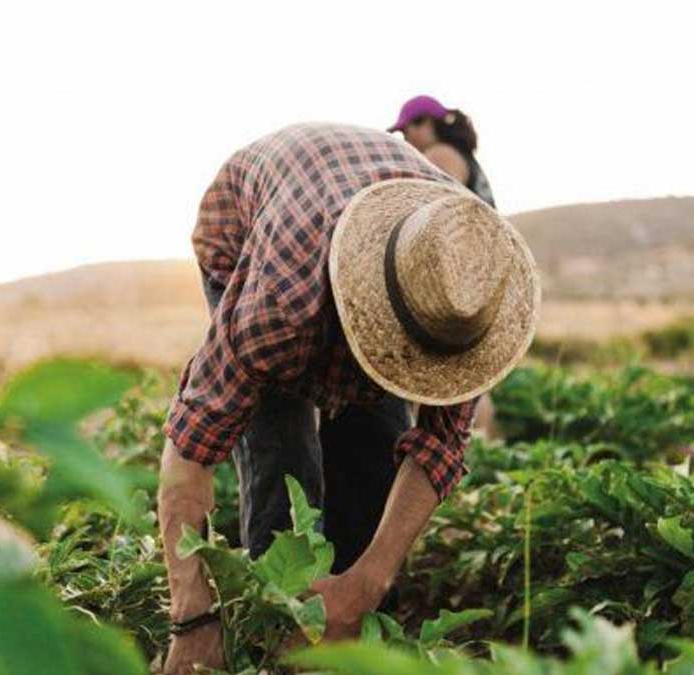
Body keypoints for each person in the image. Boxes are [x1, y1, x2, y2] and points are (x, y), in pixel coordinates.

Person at [158, 123, 540, 674]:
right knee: (284, 459)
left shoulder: (467, 305)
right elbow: (190, 450)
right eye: (394, 348)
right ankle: (278, 634)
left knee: (372, 462)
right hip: (245, 232)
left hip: (353, 218)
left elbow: (437, 451)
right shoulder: (277, 306)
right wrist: (192, 620)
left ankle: (345, 630)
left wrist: (366, 582)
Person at [389, 95, 496, 208]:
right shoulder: (458, 153)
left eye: (405, 131)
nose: (406, 139)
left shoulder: (439, 154)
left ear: (425, 122)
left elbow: (444, 202)